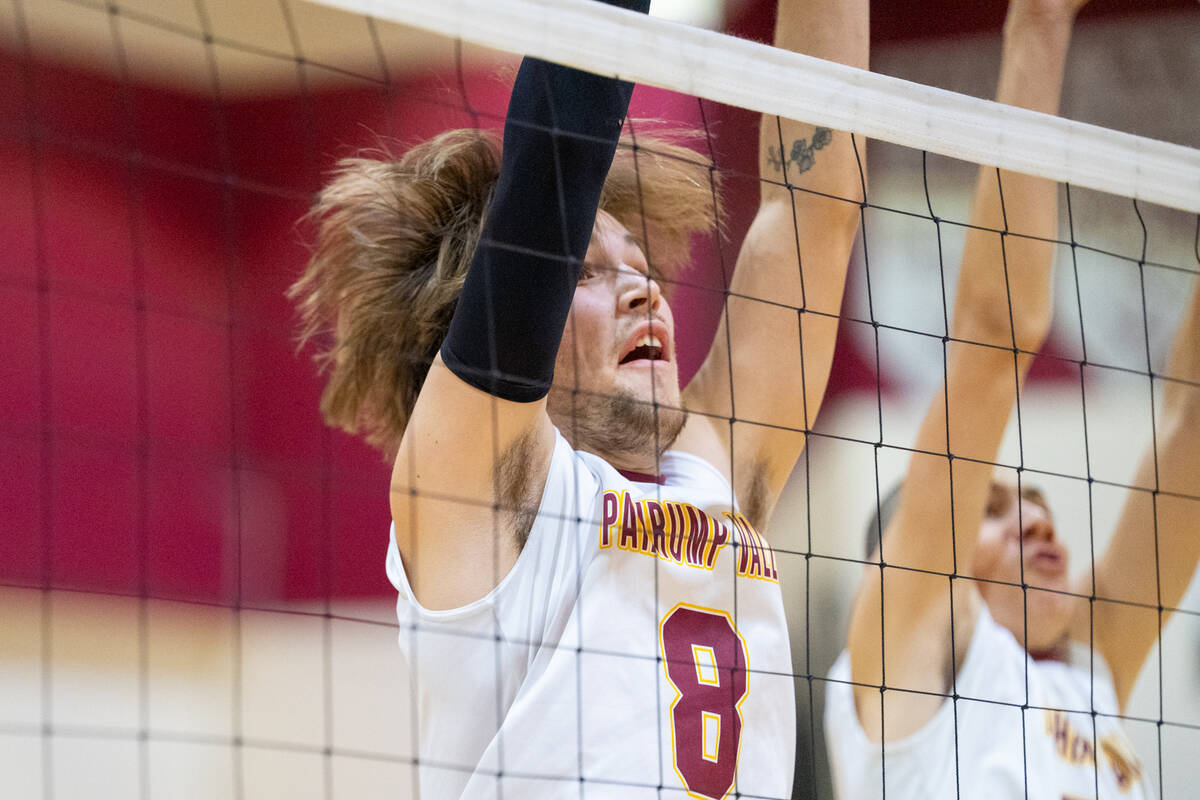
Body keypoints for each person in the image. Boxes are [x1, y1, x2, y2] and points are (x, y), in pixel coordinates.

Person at [289, 0, 867, 797]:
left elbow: (812, 214)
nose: (645, 292)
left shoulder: (715, 473)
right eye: (588, 272)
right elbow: (552, 169)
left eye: (642, 264)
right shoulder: (478, 488)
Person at [824, 1, 1200, 798]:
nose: (1036, 518)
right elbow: (995, 338)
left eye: (1029, 505)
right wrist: (1039, 23)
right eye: (991, 511)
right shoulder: (905, 653)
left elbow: (1192, 422)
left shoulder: (1085, 668)